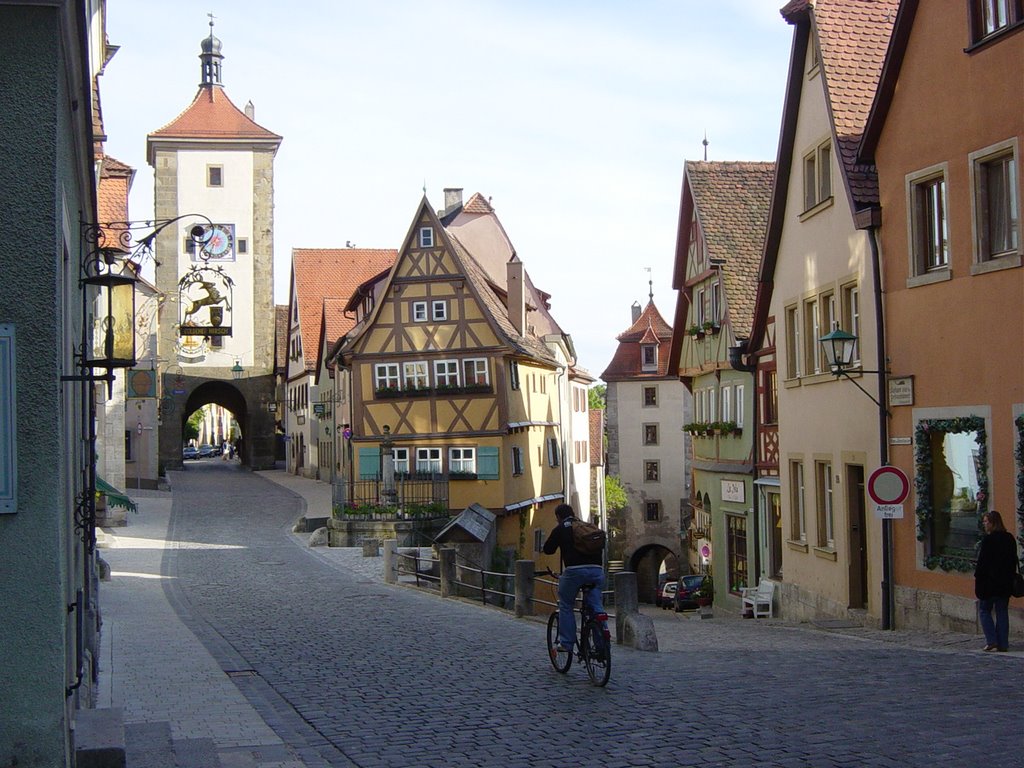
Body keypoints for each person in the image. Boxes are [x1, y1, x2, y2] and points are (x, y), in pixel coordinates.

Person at [542, 503, 605, 654]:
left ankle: (566, 643)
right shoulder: (587, 526)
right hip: (597, 570)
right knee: (596, 608)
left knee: (565, 605)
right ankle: (602, 645)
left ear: (558, 517)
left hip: (574, 572)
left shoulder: (561, 528)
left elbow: (548, 549)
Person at [974, 510, 1019, 652]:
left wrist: (978, 578)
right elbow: (1013, 560)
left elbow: (983, 563)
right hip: (1005, 583)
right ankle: (1003, 644)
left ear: (993, 523)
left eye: (986, 522)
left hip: (989, 583)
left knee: (984, 610)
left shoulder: (989, 540)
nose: (984, 524)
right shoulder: (1009, 538)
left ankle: (992, 640)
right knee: (1002, 612)